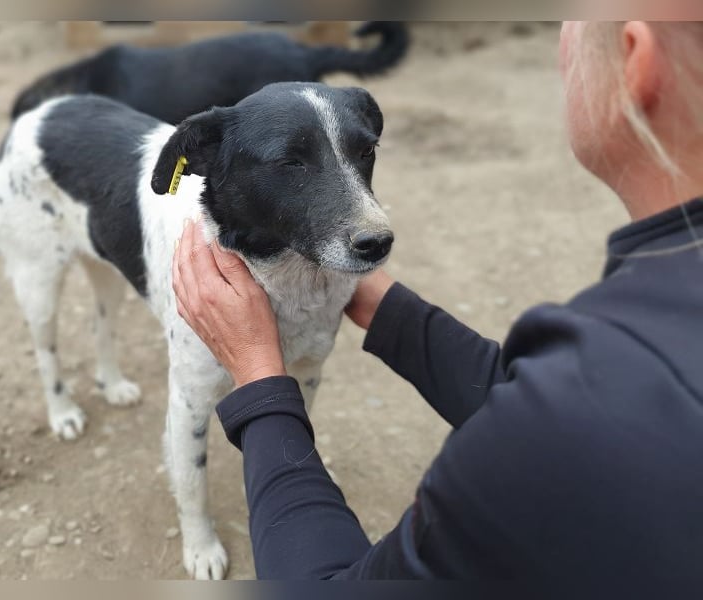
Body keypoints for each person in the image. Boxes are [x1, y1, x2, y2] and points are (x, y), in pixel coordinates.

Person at [171, 21, 703, 578]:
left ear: (632, 56)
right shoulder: (647, 344)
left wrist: (258, 379)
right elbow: (559, 404)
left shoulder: (569, 413)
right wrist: (390, 310)